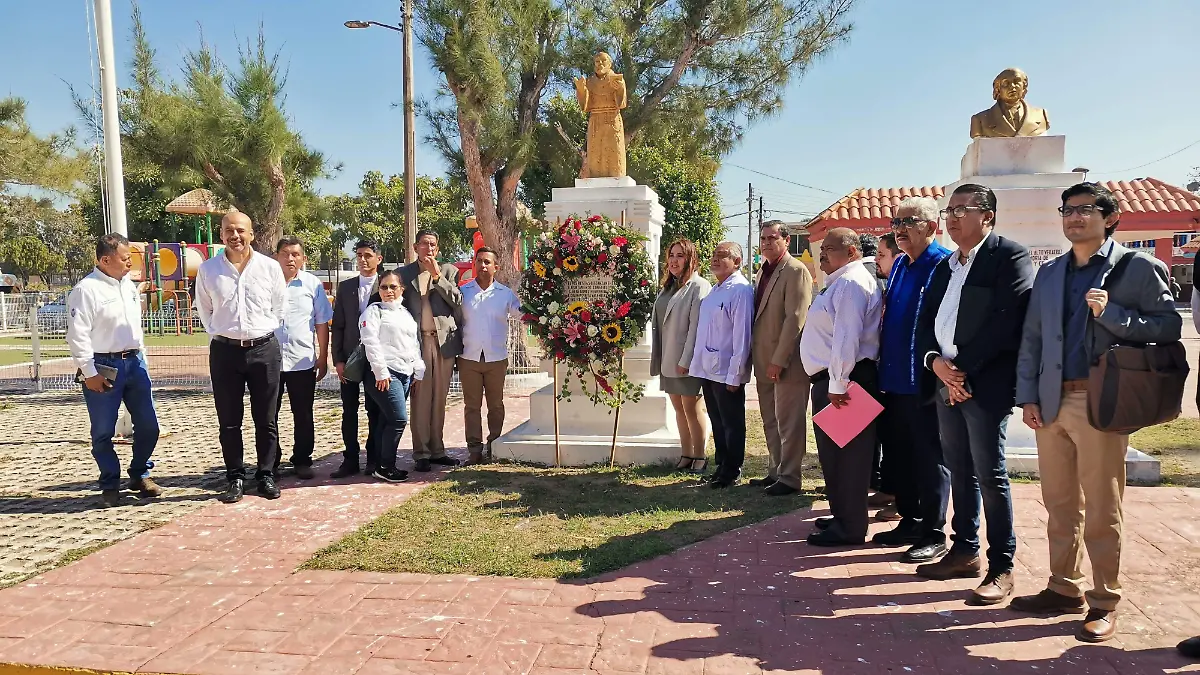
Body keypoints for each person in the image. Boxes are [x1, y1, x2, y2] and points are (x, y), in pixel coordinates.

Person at [1011, 183, 1182, 642]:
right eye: (1067, 210)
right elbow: (1032, 339)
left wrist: (1114, 315)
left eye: (1085, 209)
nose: (1074, 217)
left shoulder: (1136, 267)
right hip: (1051, 401)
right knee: (1059, 503)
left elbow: (1169, 326)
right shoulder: (1050, 273)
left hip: (1102, 400)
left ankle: (1104, 599)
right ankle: (1062, 587)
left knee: (1104, 506)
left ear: (1110, 218)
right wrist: (1027, 396)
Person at [914, 184, 1033, 606]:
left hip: (984, 385)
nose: (952, 217)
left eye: (961, 210)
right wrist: (936, 363)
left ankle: (1002, 566)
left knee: (989, 474)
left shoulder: (1009, 256)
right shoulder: (946, 265)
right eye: (949, 210)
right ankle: (964, 550)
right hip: (946, 381)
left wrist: (961, 372)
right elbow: (926, 321)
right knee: (959, 468)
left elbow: (1007, 321)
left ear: (988, 216)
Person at [872, 198, 953, 563]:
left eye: (908, 222)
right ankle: (910, 520)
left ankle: (934, 532)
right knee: (899, 454)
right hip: (893, 378)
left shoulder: (944, 264)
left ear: (932, 227)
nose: (899, 229)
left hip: (924, 381)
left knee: (930, 457)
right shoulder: (901, 264)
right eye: (896, 222)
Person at [195, 210, 286, 504]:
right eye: (229, 230)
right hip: (225, 352)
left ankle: (265, 474)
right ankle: (235, 476)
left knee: (266, 418)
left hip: (264, 349)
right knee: (229, 419)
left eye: (241, 230)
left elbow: (279, 308)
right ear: (222, 235)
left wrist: (259, 330)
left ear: (251, 234)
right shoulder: (208, 270)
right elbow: (205, 309)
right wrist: (223, 332)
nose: (235, 236)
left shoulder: (270, 268)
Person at [800, 227, 883, 546]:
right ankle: (842, 516)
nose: (822, 255)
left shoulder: (851, 282)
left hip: (846, 381)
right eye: (822, 250)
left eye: (829, 249)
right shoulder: (840, 282)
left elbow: (846, 337)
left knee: (849, 459)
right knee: (834, 456)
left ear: (851, 252)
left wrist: (837, 383)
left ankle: (850, 527)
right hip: (835, 380)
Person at [66, 233, 162, 508]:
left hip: (134, 362)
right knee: (103, 431)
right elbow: (77, 335)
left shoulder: (128, 286)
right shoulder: (86, 290)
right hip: (102, 366)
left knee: (149, 426)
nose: (130, 263)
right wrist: (89, 372)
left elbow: (134, 328)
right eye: (125, 258)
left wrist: (142, 358)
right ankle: (109, 483)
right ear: (105, 260)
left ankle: (139, 473)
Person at [749, 221, 813, 496]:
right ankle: (776, 470)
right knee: (770, 420)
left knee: (789, 422)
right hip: (763, 359)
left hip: (787, 362)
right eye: (763, 238)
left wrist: (779, 359)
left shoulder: (796, 270)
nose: (766, 242)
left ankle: (790, 477)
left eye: (772, 238)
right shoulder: (763, 270)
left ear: (786, 240)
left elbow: (795, 319)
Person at [397, 229, 465, 472]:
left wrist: (437, 276)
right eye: (424, 244)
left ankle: (438, 450)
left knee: (439, 399)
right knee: (421, 399)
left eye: (433, 244)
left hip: (444, 343)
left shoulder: (449, 271)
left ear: (438, 248)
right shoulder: (404, 274)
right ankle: (421, 452)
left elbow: (457, 300)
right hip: (418, 343)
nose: (429, 248)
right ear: (415, 247)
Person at [688, 241, 753, 488]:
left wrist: (736, 374)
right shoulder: (716, 289)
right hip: (709, 368)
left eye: (722, 255)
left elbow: (742, 336)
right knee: (718, 421)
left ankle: (732, 470)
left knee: (731, 423)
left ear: (737, 262)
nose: (715, 259)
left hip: (726, 369)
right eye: (714, 254)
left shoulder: (741, 290)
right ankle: (722, 465)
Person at [273, 237, 333, 480]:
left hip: (302, 361)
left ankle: (302, 459)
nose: (290, 258)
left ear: (303, 258)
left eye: (295, 254)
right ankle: (270, 462)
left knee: (304, 414)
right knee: (267, 414)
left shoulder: (312, 284)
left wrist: (323, 356)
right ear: (276, 256)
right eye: (285, 253)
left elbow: (321, 323)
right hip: (269, 362)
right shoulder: (266, 282)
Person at [651, 238, 712, 473]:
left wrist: (686, 360)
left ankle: (700, 455)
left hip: (686, 360)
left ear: (691, 259)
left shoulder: (698, 286)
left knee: (692, 409)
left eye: (680, 255)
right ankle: (686, 454)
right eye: (671, 255)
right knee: (678, 408)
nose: (674, 260)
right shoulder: (668, 287)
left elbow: (696, 327)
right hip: (667, 357)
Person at [458, 247, 522, 466]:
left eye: (487, 262)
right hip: (469, 357)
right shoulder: (464, 292)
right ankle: (474, 450)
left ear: (496, 267)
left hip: (496, 358)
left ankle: (494, 445)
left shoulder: (505, 294)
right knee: (471, 407)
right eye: (479, 261)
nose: (483, 265)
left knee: (495, 406)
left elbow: (522, 314)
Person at [359, 270, 425, 483]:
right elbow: (370, 343)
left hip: (405, 372)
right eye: (384, 287)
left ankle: (380, 465)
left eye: (393, 287)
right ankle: (387, 466)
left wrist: (418, 370)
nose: (388, 291)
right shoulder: (373, 311)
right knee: (398, 419)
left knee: (385, 419)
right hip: (384, 374)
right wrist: (381, 372)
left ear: (401, 289)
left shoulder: (405, 313)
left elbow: (413, 344)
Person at [331, 240, 383, 478]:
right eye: (359, 255)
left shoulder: (386, 284)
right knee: (349, 410)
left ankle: (374, 459)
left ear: (378, 259)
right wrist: (338, 360)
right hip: (350, 357)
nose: (362, 259)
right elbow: (338, 326)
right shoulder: (346, 287)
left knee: (375, 410)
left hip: (375, 358)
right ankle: (350, 459)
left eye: (368, 255)